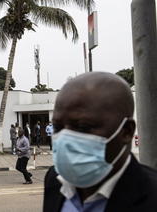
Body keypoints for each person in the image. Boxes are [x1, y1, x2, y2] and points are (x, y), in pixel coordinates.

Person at [43, 72, 157, 212]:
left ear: (126, 131)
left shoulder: (151, 196)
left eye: (82, 127)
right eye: (57, 127)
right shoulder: (54, 180)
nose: (65, 139)